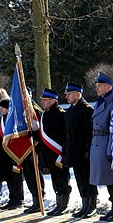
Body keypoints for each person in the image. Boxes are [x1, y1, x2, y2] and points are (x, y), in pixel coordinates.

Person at [89, 72, 113, 222]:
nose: (97, 88)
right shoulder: (100, 101)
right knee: (107, 178)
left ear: (109, 86)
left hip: (106, 141)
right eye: (96, 86)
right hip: (98, 141)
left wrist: (111, 147)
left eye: (100, 86)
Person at [32, 88, 72, 216]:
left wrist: (64, 152)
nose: (42, 102)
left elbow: (65, 135)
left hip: (59, 153)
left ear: (53, 100)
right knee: (56, 180)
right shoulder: (45, 114)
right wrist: (33, 134)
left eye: (45, 100)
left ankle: (64, 204)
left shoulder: (61, 114)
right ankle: (58, 203)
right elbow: (42, 135)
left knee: (63, 180)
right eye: (42, 100)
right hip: (48, 154)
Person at [63, 82, 98, 218]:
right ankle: (85, 204)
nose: (67, 96)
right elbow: (67, 134)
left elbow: (89, 132)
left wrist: (87, 150)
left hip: (84, 151)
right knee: (79, 179)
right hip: (74, 152)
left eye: (69, 94)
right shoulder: (70, 111)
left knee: (88, 178)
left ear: (78, 94)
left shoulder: (86, 110)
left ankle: (92, 204)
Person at [0, 99, 24, 210]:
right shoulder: (2, 119)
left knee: (16, 178)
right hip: (5, 154)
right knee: (9, 179)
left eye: (3, 108)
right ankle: (12, 198)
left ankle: (18, 199)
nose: (1, 110)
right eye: (0, 108)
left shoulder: (13, 120)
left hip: (14, 154)